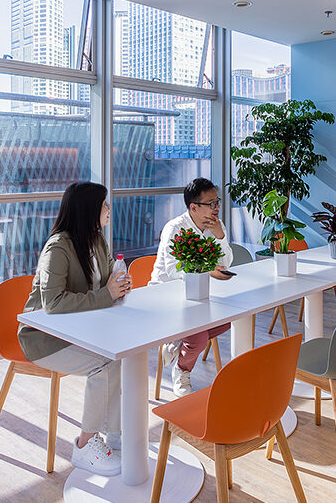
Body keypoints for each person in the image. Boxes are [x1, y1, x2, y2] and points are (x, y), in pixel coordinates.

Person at [17, 182, 131, 476]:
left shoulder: (97, 239)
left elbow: (105, 281)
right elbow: (53, 303)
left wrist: (119, 281)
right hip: (45, 340)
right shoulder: (58, 247)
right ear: (89, 210)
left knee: (122, 356)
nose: (108, 209)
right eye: (104, 204)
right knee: (106, 364)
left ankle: (115, 435)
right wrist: (107, 294)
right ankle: (85, 444)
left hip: (83, 331)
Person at [151, 177, 234, 397]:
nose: (216, 208)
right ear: (193, 207)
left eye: (217, 202)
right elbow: (172, 270)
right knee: (197, 337)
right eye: (211, 204)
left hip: (198, 295)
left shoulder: (216, 225)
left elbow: (227, 263)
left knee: (227, 320)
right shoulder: (175, 228)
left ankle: (178, 341)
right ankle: (181, 369)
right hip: (165, 296)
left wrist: (220, 236)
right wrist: (208, 270)